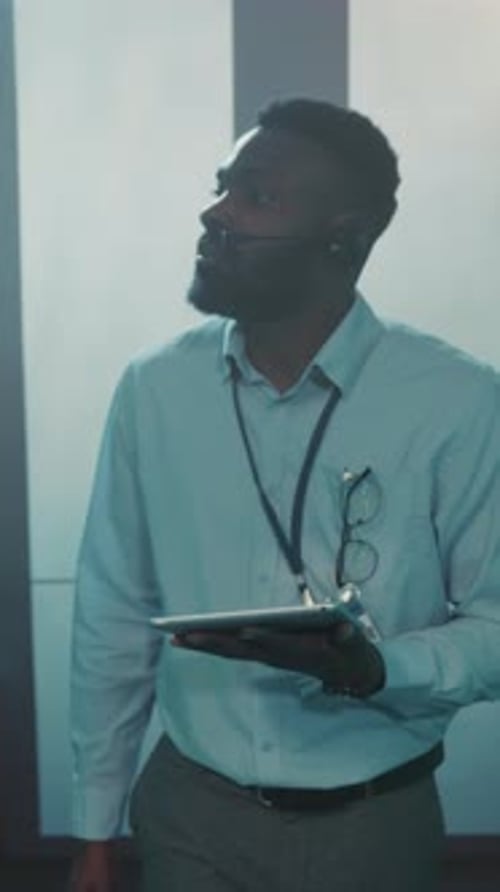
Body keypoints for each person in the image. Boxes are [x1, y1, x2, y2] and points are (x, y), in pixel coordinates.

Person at [69, 98, 500, 892]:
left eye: (256, 197)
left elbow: (495, 624)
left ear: (344, 234)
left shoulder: (459, 400)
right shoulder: (156, 389)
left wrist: (378, 668)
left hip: (374, 825)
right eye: (221, 186)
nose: (213, 214)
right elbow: (113, 611)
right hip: (190, 812)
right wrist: (94, 828)